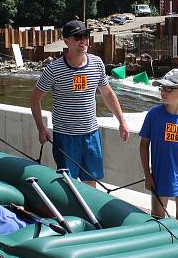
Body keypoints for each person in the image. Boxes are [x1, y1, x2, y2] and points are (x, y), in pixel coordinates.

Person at [30, 20, 129, 186]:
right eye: (78, 37)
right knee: (69, 184)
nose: (83, 40)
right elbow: (34, 99)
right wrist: (41, 128)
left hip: (91, 135)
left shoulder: (97, 63)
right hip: (65, 137)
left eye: (86, 36)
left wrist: (122, 121)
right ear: (66, 40)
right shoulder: (54, 69)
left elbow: (107, 93)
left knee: (92, 181)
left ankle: (89, 212)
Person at [138, 69, 178, 229]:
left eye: (169, 89)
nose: (163, 92)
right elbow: (144, 145)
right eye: (162, 88)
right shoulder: (154, 115)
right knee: (158, 218)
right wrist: (147, 174)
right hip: (160, 175)